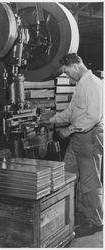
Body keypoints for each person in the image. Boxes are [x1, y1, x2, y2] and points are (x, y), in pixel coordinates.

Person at [45, 53, 103, 235]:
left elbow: (92, 117)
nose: (68, 78)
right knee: (66, 173)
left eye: (68, 73)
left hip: (89, 136)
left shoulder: (93, 84)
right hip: (78, 136)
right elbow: (71, 112)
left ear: (76, 66)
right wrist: (52, 120)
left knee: (89, 180)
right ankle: (77, 211)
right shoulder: (80, 84)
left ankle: (96, 221)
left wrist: (68, 130)